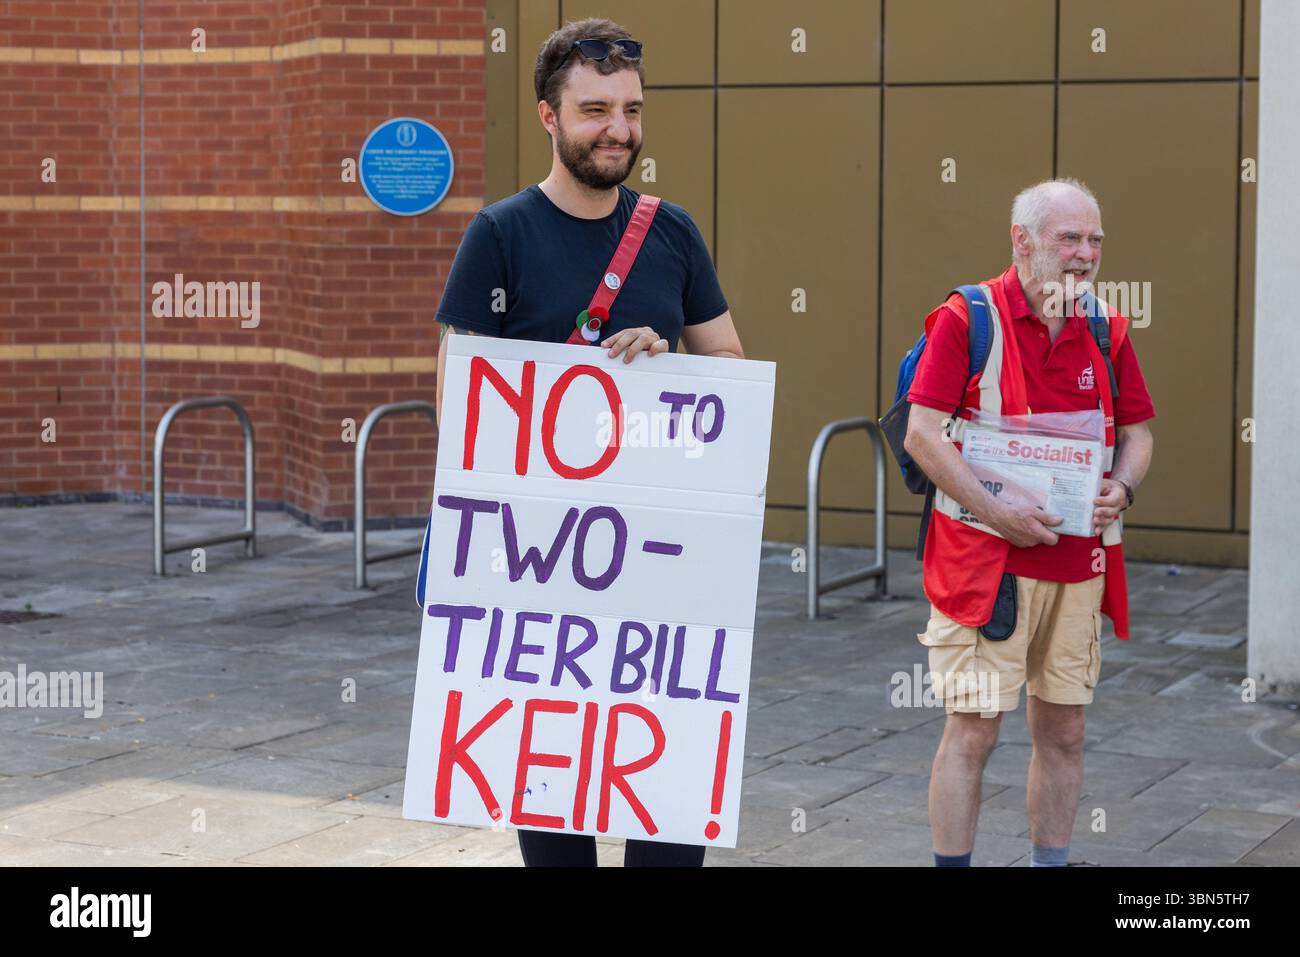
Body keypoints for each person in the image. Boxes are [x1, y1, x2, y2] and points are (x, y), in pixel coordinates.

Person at [431, 17, 744, 867]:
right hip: (540, 567)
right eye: (596, 108)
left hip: (661, 561)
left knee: (671, 807)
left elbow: (731, 371)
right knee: (555, 796)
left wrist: (668, 362)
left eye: (632, 110)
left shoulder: (671, 231)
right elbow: (462, 399)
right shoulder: (499, 235)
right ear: (548, 116)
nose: (619, 130)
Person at [902, 179, 1156, 867]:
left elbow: (1137, 434)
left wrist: (1122, 485)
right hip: (987, 572)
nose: (1085, 254)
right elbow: (923, 435)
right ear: (1022, 241)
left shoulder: (1106, 326)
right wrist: (997, 511)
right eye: (1068, 238)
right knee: (975, 732)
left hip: (1077, 569)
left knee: (1066, 730)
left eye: (1094, 239)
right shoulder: (966, 318)